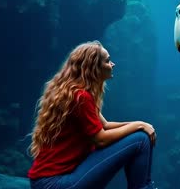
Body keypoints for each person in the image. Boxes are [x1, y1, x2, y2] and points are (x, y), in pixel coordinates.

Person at [27, 40, 157, 189]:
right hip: (54, 184)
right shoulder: (80, 97)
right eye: (107, 61)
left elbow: (105, 126)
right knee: (141, 140)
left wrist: (141, 124)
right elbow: (100, 139)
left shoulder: (77, 93)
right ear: (93, 67)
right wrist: (140, 126)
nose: (112, 64)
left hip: (45, 182)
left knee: (141, 134)